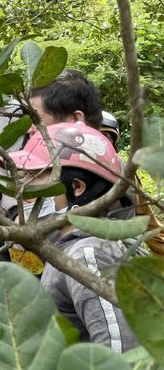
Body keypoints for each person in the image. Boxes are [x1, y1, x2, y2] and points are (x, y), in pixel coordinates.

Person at [9, 122, 139, 352]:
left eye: (35, 176)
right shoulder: (67, 245)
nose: (23, 187)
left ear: (77, 187)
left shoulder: (89, 253)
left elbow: (119, 352)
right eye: (24, 175)